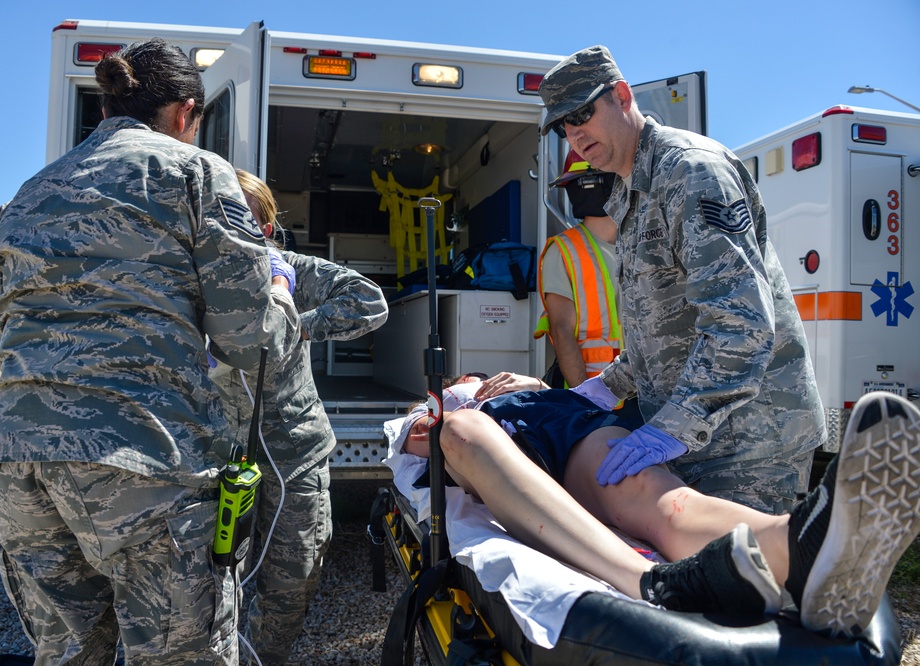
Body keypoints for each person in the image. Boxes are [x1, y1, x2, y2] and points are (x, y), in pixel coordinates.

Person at [0, 39, 302, 665]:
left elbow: (6, 330)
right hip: (141, 461)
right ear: (184, 113)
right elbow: (254, 342)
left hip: (16, 463)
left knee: (68, 654)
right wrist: (279, 287)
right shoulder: (196, 172)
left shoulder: (28, 193)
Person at [390, 376, 920, 637]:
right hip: (501, 447)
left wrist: (540, 386)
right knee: (459, 431)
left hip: (569, 424)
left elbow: (598, 393)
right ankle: (646, 579)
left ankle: (800, 544)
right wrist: (456, 400)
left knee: (661, 500)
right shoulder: (458, 406)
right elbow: (414, 437)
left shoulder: (537, 390)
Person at [537, 46, 826, 513]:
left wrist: (673, 425)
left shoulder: (690, 171)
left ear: (623, 95)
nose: (575, 134)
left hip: (751, 442)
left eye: (583, 113)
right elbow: (665, 327)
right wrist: (608, 385)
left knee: (760, 577)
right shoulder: (633, 191)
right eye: (564, 126)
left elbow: (741, 323)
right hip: (701, 437)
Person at [209, 169, 389, 664]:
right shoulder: (195, 273)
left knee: (294, 579)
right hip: (218, 456)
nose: (225, 226)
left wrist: (294, 326)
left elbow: (369, 303)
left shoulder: (286, 267)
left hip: (296, 454)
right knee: (213, 577)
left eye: (239, 216)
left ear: (265, 229)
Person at [535, 150, 621, 388]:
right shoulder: (564, 251)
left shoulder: (640, 247)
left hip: (643, 397)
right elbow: (562, 331)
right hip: (595, 399)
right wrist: (586, 399)